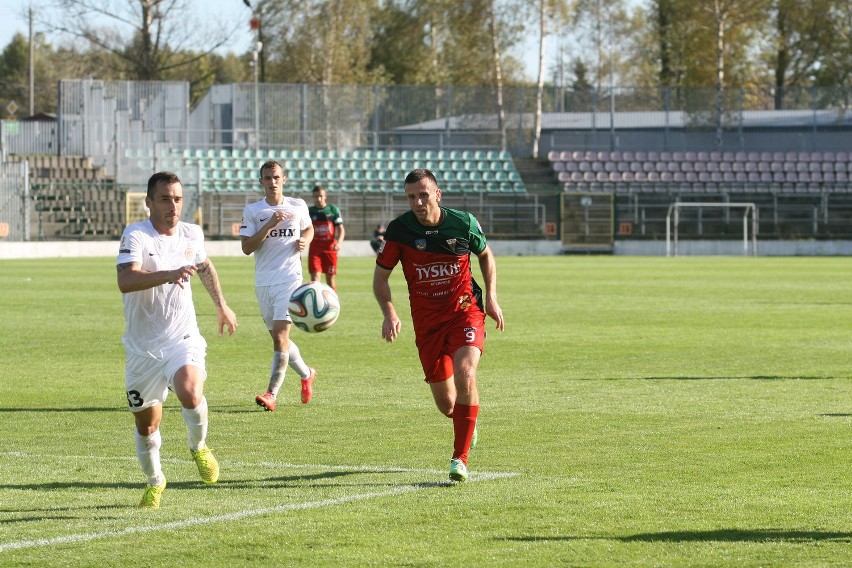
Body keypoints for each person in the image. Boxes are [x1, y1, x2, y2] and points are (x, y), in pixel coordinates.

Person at [373, 168, 505, 483]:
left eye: (423, 194)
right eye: (411, 197)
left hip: (465, 312)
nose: (418, 202)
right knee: (447, 405)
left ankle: (459, 459)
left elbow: (486, 255)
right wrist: (389, 312)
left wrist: (492, 298)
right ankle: (467, 420)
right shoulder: (399, 230)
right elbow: (380, 278)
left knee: (466, 373)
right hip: (427, 324)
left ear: (437, 194)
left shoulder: (463, 223)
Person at [117, 171, 238, 510]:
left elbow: (204, 266)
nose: (174, 205)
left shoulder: (191, 233)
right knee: (147, 425)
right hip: (142, 348)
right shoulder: (136, 234)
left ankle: (198, 446)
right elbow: (126, 280)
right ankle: (156, 482)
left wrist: (221, 305)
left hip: (181, 337)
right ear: (149, 203)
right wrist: (168, 274)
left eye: (178, 198)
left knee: (189, 389)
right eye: (166, 199)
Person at [240, 160, 318, 412]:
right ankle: (306, 373)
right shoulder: (253, 210)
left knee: (281, 337)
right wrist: (269, 224)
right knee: (278, 339)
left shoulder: (298, 206)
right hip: (264, 282)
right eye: (267, 178)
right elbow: (246, 248)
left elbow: (309, 229)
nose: (272, 182)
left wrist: (304, 241)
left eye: (276, 177)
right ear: (261, 181)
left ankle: (271, 394)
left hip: (290, 279)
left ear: (284, 179)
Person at [307, 184, 345, 290]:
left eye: (320, 196)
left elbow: (341, 229)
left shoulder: (333, 210)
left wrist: (339, 243)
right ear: (313, 197)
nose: (318, 199)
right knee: (315, 279)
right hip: (315, 249)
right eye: (316, 196)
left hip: (330, 250)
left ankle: (332, 304)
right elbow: (305, 229)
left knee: (330, 279)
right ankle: (316, 306)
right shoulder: (310, 211)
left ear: (325, 196)